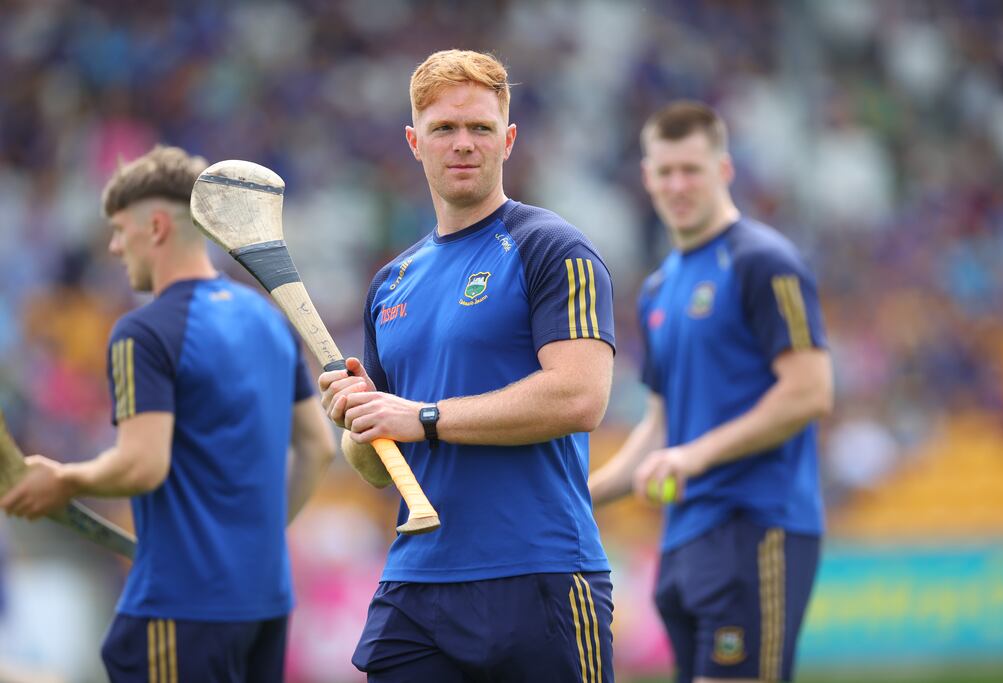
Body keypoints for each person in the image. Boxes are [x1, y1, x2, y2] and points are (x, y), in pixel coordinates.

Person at [319, 49, 616, 681]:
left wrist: (420, 416)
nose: (463, 144)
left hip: (539, 572)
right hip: (417, 582)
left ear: (508, 140)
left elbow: (581, 397)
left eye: (480, 128)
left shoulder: (552, 248)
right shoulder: (391, 282)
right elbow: (378, 467)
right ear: (414, 142)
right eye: (444, 129)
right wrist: (359, 420)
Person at [0, 145, 336, 683]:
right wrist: (257, 540)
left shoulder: (144, 331)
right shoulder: (265, 318)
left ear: (155, 226)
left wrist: (63, 479)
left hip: (182, 605)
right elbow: (318, 447)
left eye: (118, 229)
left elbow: (142, 465)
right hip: (265, 601)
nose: (114, 246)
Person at [589, 101, 833, 683]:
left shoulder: (763, 262)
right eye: (665, 170)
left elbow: (810, 392)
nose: (677, 184)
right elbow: (659, 428)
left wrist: (694, 456)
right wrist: (574, 495)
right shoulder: (657, 289)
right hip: (685, 538)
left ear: (724, 169)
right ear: (646, 177)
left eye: (691, 169)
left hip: (757, 525)